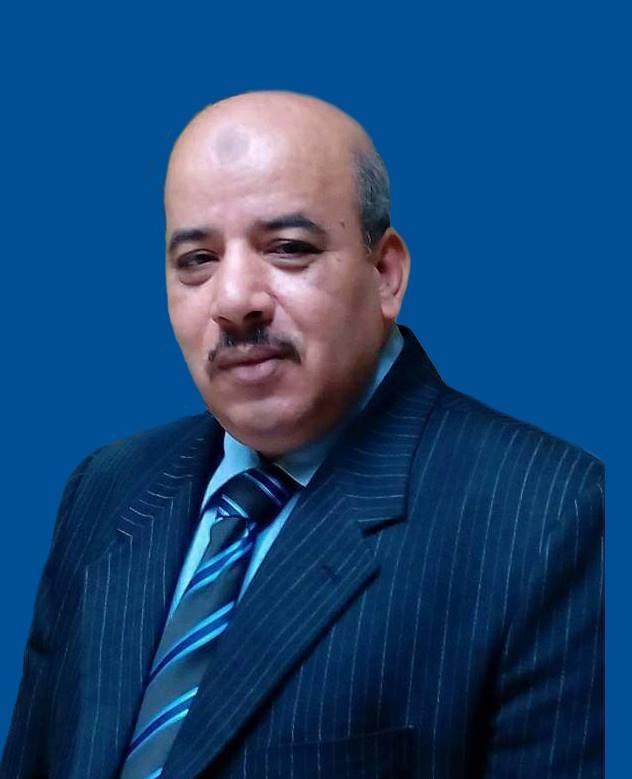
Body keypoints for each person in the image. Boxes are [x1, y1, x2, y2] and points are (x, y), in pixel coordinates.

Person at [1, 91, 603, 779]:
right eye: (196, 259)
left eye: (288, 249)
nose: (234, 300)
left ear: (386, 274)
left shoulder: (552, 515)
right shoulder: (104, 488)